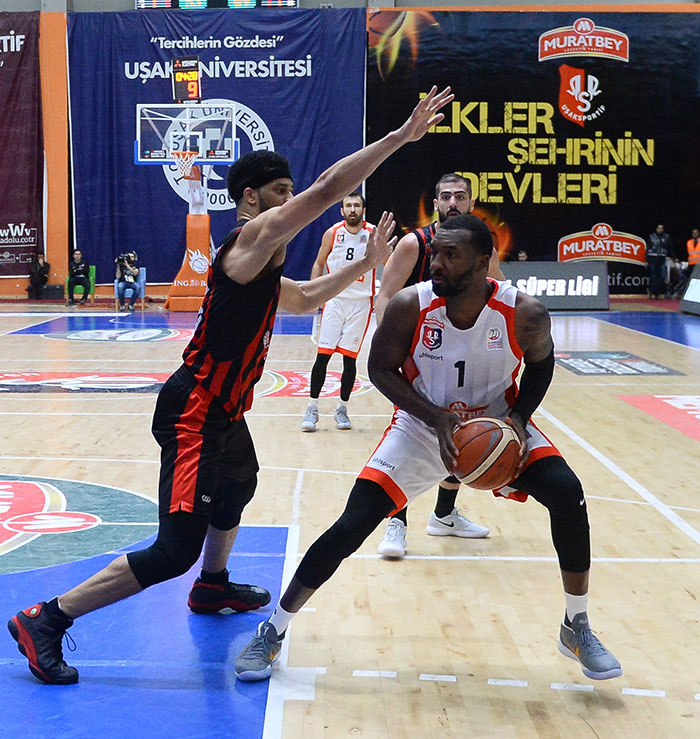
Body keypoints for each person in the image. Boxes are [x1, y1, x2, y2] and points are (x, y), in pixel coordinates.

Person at [7, 85, 454, 685]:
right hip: (194, 410)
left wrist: (367, 264)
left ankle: (212, 586)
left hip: (225, 410)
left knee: (241, 481)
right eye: (281, 193)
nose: (290, 202)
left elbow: (306, 298)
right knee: (173, 550)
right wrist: (400, 137)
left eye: (290, 193)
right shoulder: (250, 241)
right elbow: (328, 190)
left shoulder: (262, 263)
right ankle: (46, 619)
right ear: (251, 198)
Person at [235, 213, 623, 684]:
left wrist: (519, 419)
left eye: (449, 255)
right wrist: (435, 417)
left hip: (495, 426)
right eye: (434, 252)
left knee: (567, 491)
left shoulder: (525, 313)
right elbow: (380, 369)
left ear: (482, 263)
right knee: (352, 524)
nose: (435, 263)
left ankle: (576, 624)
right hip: (421, 426)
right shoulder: (410, 306)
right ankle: (273, 629)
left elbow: (542, 364)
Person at [373, 173, 501, 558]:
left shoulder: (482, 246)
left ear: (471, 203)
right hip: (419, 355)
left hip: (463, 353)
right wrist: (392, 348)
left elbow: (500, 294)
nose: (453, 203)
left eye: (460, 197)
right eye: (446, 197)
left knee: (462, 431)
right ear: (436, 204)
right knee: (407, 440)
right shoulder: (415, 243)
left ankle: (444, 515)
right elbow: (385, 295)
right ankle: (396, 523)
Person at [301, 192, 376, 432]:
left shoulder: (373, 234)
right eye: (348, 205)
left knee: (349, 359)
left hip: (361, 302)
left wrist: (388, 293)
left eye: (356, 205)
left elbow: (391, 262)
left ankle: (342, 408)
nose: (352, 209)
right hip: (335, 300)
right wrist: (313, 293)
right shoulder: (332, 233)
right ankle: (312, 408)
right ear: (342, 210)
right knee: (323, 356)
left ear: (363, 210)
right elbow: (318, 263)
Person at [645, 224, 675, 299]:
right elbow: (648, 248)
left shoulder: (666, 237)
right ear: (656, 229)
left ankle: (653, 290)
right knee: (653, 276)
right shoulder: (651, 237)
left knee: (662, 276)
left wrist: (674, 257)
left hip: (662, 259)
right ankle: (655, 293)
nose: (660, 229)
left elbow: (670, 247)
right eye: (659, 228)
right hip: (652, 259)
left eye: (661, 228)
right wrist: (646, 260)